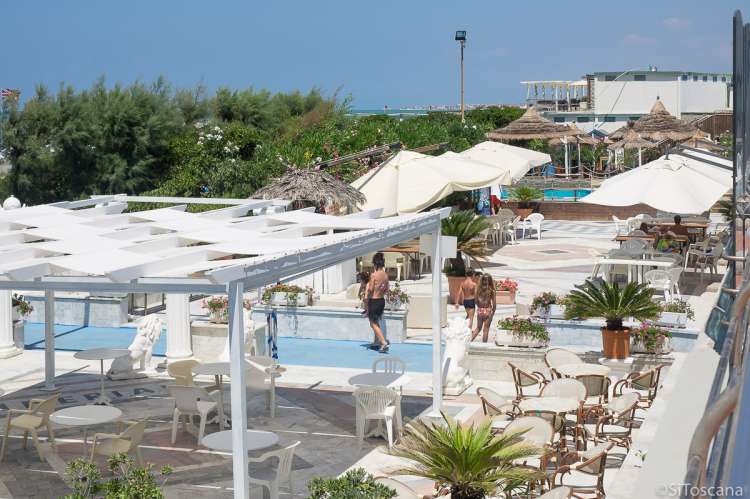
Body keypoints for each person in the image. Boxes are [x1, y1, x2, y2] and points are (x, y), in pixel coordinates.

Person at [365, 253, 390, 352]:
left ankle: (383, 342)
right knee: (376, 322)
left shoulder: (374, 275)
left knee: (373, 323)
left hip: (374, 301)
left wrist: (366, 295)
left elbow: (371, 289)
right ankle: (377, 342)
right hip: (381, 301)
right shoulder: (385, 275)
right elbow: (386, 289)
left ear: (375, 264)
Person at [471, 273, 496, 343]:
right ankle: (484, 345)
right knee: (486, 329)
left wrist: (480, 307)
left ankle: (469, 341)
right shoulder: (492, 291)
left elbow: (476, 301)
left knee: (478, 328)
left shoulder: (478, 290)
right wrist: (493, 312)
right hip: (488, 310)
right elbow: (494, 304)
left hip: (480, 310)